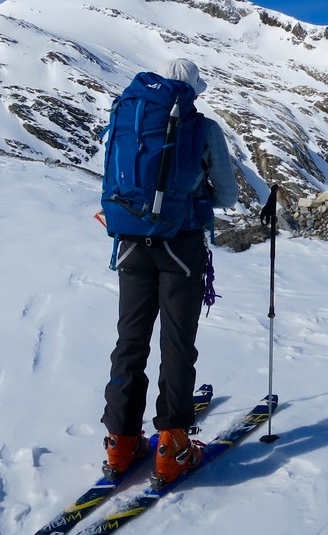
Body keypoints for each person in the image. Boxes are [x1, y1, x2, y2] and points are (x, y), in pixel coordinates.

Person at [101, 58, 238, 485]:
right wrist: (192, 198)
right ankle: (172, 446)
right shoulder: (203, 127)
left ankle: (122, 442)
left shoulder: (130, 114)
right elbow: (228, 196)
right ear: (194, 90)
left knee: (130, 339)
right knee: (177, 344)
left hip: (129, 245)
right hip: (180, 248)